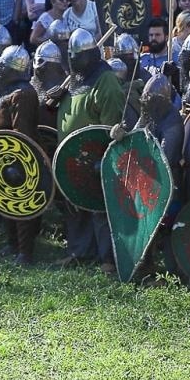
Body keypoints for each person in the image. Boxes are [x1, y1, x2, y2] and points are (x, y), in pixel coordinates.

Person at [56, 29, 126, 270]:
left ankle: (108, 258)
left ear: (91, 54)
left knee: (100, 208)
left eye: (77, 55)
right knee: (76, 206)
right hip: (75, 157)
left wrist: (102, 155)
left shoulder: (105, 80)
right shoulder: (75, 80)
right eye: (70, 55)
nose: (73, 60)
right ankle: (80, 252)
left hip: (97, 156)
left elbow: (112, 123)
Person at [0, 44, 42, 265]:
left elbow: (22, 132)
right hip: (4, 156)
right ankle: (12, 245)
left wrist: (16, 159)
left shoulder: (23, 94)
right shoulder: (8, 92)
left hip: (20, 159)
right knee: (5, 203)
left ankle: (25, 253)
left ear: (12, 69)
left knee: (22, 207)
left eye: (3, 65)